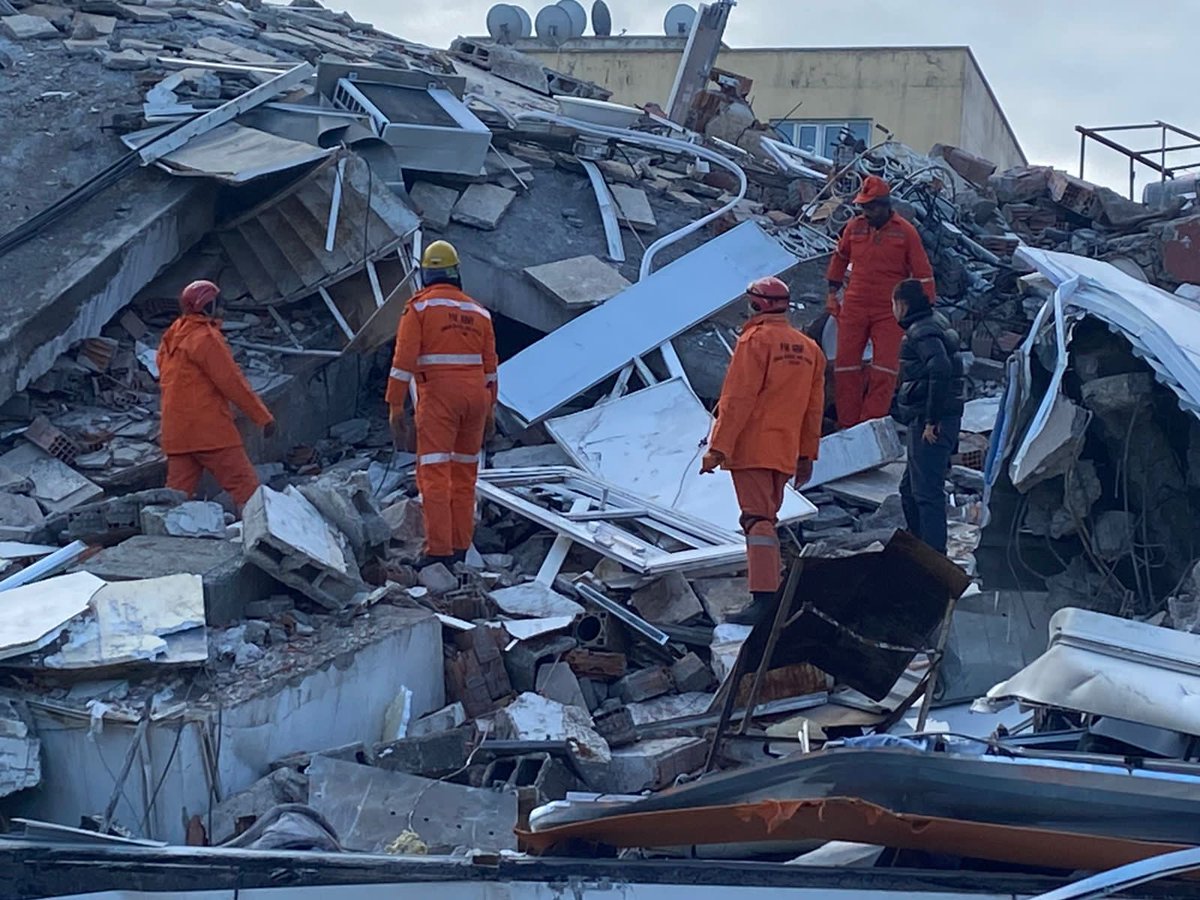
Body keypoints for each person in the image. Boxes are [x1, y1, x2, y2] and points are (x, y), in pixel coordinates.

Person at [699, 276, 825, 623]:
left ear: (756, 305)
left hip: (753, 448)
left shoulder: (755, 341)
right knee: (767, 518)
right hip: (784, 451)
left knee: (757, 521)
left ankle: (764, 599)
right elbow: (814, 410)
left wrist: (718, 448)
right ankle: (773, 592)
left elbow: (737, 399)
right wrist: (806, 455)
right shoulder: (809, 349)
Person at [386, 240, 498, 566]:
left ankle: (438, 552)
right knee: (464, 475)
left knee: (434, 474)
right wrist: (490, 408)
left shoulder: (419, 308)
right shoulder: (479, 312)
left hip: (440, 399)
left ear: (426, 275)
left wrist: (395, 405)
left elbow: (402, 361)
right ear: (455, 273)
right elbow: (490, 367)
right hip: (476, 398)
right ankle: (460, 547)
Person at [826, 175, 936, 429]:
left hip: (889, 311)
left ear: (886, 205)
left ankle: (870, 426)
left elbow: (923, 273)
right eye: (863, 206)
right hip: (854, 305)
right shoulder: (854, 227)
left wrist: (924, 311)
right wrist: (832, 292)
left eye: (871, 206)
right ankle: (848, 426)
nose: (866, 211)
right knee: (845, 368)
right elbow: (840, 258)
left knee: (885, 370)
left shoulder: (905, 232)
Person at [157, 279, 275, 509]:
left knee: (174, 501)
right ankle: (265, 541)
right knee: (247, 490)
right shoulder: (205, 338)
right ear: (208, 306)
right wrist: (263, 417)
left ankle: (162, 542)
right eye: (218, 303)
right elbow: (232, 382)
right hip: (210, 431)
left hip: (176, 434)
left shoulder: (171, 337)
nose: (222, 308)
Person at [891, 278, 965, 555]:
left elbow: (941, 369)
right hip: (928, 418)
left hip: (930, 422)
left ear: (902, 304)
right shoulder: (934, 322)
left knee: (926, 494)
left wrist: (932, 420)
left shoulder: (922, 331)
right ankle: (917, 550)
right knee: (910, 490)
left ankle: (934, 560)